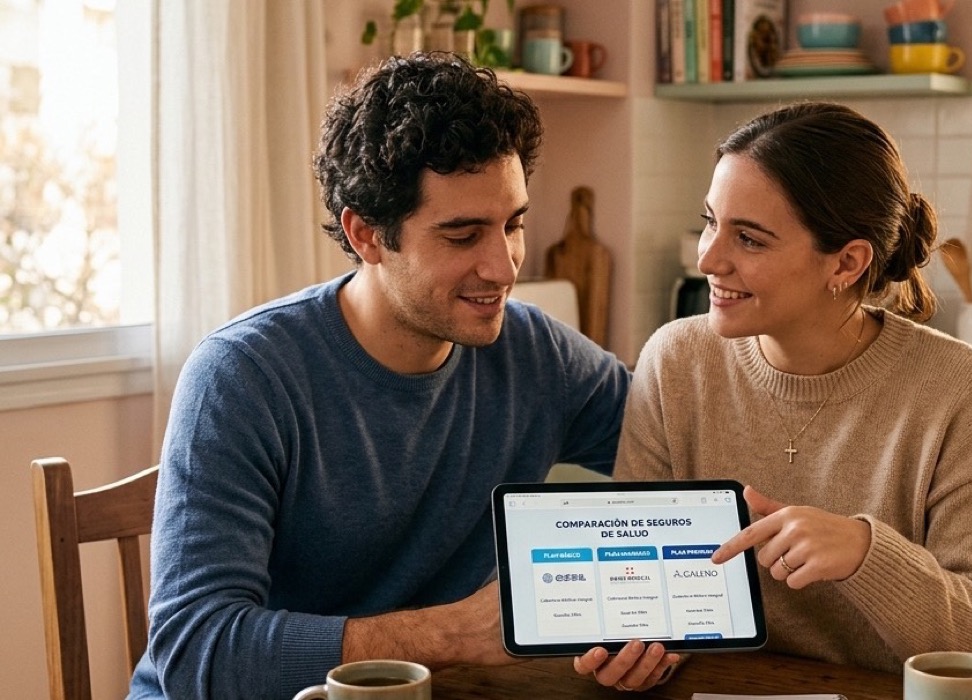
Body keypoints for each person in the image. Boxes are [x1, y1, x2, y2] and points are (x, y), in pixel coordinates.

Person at [128, 53, 630, 699]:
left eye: (513, 225)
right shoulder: (243, 376)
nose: (503, 267)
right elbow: (198, 654)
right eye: (462, 235)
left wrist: (645, 624)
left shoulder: (537, 353)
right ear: (366, 235)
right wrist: (453, 634)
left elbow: (683, 451)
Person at [576, 102, 972, 692]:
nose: (709, 258)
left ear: (846, 261)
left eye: (750, 239)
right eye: (711, 221)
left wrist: (868, 554)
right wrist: (636, 647)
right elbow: (643, 592)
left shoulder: (955, 386)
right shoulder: (674, 361)